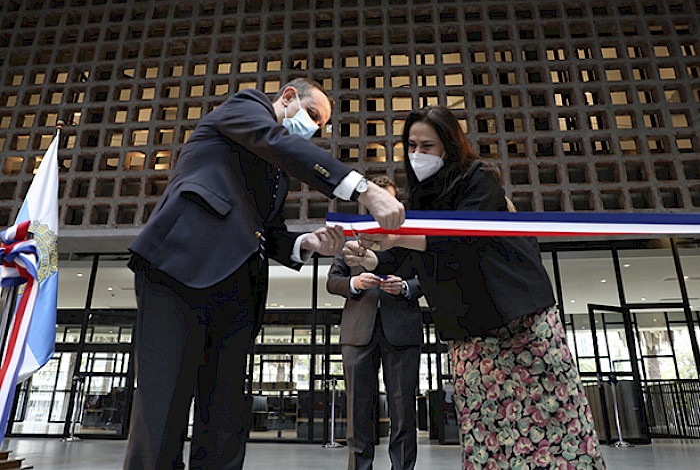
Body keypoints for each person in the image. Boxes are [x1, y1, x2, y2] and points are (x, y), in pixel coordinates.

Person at [124, 78, 405, 470]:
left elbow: (267, 231)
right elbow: (277, 141)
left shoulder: (277, 175)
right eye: (312, 115)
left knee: (224, 412)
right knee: (163, 402)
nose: (313, 128)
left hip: (237, 288)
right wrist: (362, 189)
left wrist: (307, 244)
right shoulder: (245, 108)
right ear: (288, 97)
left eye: (320, 125)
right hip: (181, 267)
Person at [343, 106, 606, 469]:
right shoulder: (419, 198)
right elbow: (413, 255)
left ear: (450, 145)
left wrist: (396, 237)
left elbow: (464, 240)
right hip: (470, 332)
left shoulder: (479, 178)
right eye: (411, 145)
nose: (417, 154)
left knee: (550, 427)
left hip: (517, 322)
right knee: (489, 434)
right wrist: (370, 257)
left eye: (428, 145)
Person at [326, 176, 422, 470]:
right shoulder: (349, 238)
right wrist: (353, 282)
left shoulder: (411, 239)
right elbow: (333, 281)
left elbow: (429, 279)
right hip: (358, 332)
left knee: (404, 409)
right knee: (358, 411)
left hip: (402, 330)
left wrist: (406, 286)